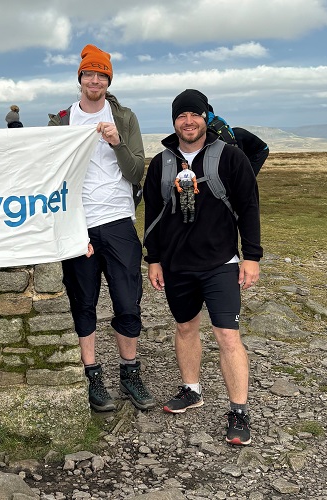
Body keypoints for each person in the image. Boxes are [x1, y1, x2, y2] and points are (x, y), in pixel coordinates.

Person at [143, 89, 262, 446]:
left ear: (206, 118)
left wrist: (251, 256)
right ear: (174, 121)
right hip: (177, 266)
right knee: (184, 327)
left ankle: (239, 410)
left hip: (221, 263)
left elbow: (249, 206)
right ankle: (191, 390)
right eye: (182, 116)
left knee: (227, 335)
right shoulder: (162, 163)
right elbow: (152, 215)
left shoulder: (230, 158)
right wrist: (154, 259)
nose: (188, 121)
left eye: (195, 114)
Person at [47, 44, 154, 412]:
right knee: (84, 302)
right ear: (80, 78)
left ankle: (129, 372)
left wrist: (116, 143)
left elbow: (137, 171)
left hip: (119, 221)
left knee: (128, 302)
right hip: (79, 226)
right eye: (89, 74)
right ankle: (92, 374)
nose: (95, 80)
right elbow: (48, 175)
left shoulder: (124, 117)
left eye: (102, 75)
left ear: (109, 80)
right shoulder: (61, 122)